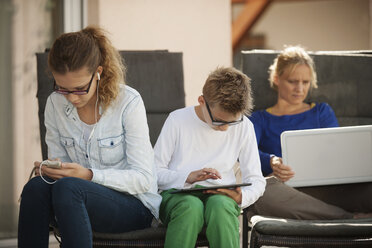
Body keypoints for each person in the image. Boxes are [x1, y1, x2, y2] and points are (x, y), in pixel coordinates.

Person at [18, 26, 161, 248]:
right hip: (73, 200)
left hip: (134, 206)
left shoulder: (128, 102)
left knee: (70, 189)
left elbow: (143, 179)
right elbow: (61, 171)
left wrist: (89, 175)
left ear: (98, 73)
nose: (72, 98)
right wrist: (52, 170)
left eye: (80, 88)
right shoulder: (55, 103)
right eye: (63, 88)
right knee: (35, 188)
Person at [248, 45, 372, 220]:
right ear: (277, 79)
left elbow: (336, 152)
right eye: (293, 81)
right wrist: (271, 161)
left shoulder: (322, 112)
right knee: (262, 192)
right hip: (285, 191)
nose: (300, 89)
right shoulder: (259, 119)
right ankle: (347, 218)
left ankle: (336, 215)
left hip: (327, 188)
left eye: (305, 82)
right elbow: (245, 151)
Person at [154, 67, 266, 248]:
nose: (225, 128)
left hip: (221, 196)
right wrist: (187, 177)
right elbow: (153, 172)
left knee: (221, 206)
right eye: (220, 121)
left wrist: (241, 197)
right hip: (177, 195)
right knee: (190, 207)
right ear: (201, 101)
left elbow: (256, 180)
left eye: (233, 122)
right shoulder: (177, 120)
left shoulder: (245, 126)